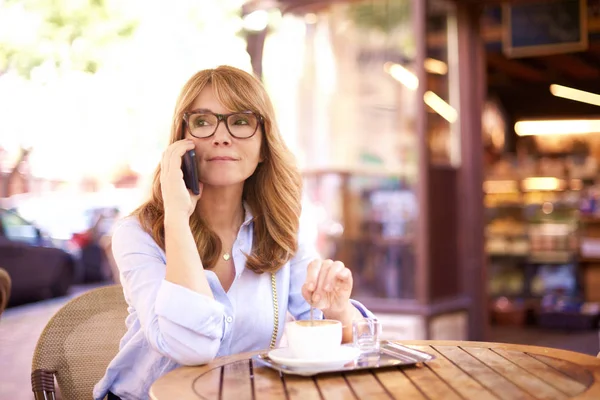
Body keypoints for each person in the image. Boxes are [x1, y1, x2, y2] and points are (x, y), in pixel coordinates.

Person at [94, 65, 374, 400]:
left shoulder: (282, 228)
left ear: (263, 146)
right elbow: (191, 347)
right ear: (181, 142)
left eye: (241, 121)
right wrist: (177, 217)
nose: (222, 136)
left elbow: (341, 335)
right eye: (203, 121)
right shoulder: (138, 234)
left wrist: (338, 307)